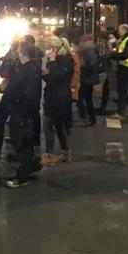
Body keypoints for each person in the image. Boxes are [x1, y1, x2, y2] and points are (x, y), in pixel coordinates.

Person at [4, 44, 43, 188]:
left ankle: (22, 175)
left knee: (22, 143)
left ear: (22, 54)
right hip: (20, 111)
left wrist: (22, 109)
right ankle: (30, 166)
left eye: (18, 51)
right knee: (21, 142)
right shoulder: (25, 68)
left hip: (23, 113)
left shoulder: (30, 70)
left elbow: (29, 94)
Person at [40, 36, 74, 166]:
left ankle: (65, 152)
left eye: (50, 47)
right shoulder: (53, 59)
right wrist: (45, 74)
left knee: (58, 126)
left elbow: (59, 76)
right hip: (51, 96)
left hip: (60, 98)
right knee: (48, 125)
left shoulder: (66, 59)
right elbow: (51, 78)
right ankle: (49, 153)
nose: (48, 51)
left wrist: (52, 63)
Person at [0, 37, 21, 161]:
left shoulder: (16, 58)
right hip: (13, 93)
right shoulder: (14, 56)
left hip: (13, 93)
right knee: (10, 122)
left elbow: (3, 71)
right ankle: (12, 149)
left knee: (5, 121)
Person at [76, 34, 100, 128]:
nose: (80, 43)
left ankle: (86, 119)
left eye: (82, 42)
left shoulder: (89, 51)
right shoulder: (90, 50)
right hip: (89, 78)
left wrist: (81, 63)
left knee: (81, 99)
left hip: (86, 79)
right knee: (87, 99)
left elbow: (92, 64)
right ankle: (90, 119)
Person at [96, 32, 117, 115]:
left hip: (113, 73)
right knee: (107, 89)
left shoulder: (111, 53)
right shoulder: (112, 51)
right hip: (111, 73)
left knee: (111, 89)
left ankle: (104, 108)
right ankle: (103, 108)